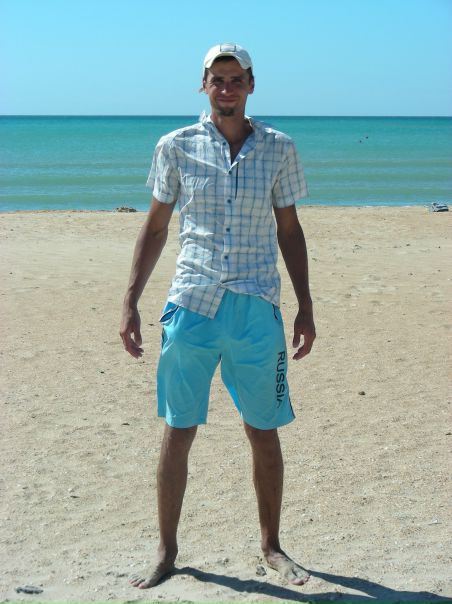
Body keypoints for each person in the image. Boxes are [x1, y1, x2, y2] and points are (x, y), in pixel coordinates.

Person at [120, 42, 316, 589]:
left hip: (256, 306)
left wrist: (305, 306)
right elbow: (156, 227)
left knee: (263, 431)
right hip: (192, 304)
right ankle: (166, 551)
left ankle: (272, 546)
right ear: (203, 85)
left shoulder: (279, 147)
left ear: (251, 85)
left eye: (235, 79)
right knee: (178, 429)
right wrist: (130, 301)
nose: (226, 89)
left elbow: (290, 230)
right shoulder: (175, 146)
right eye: (217, 80)